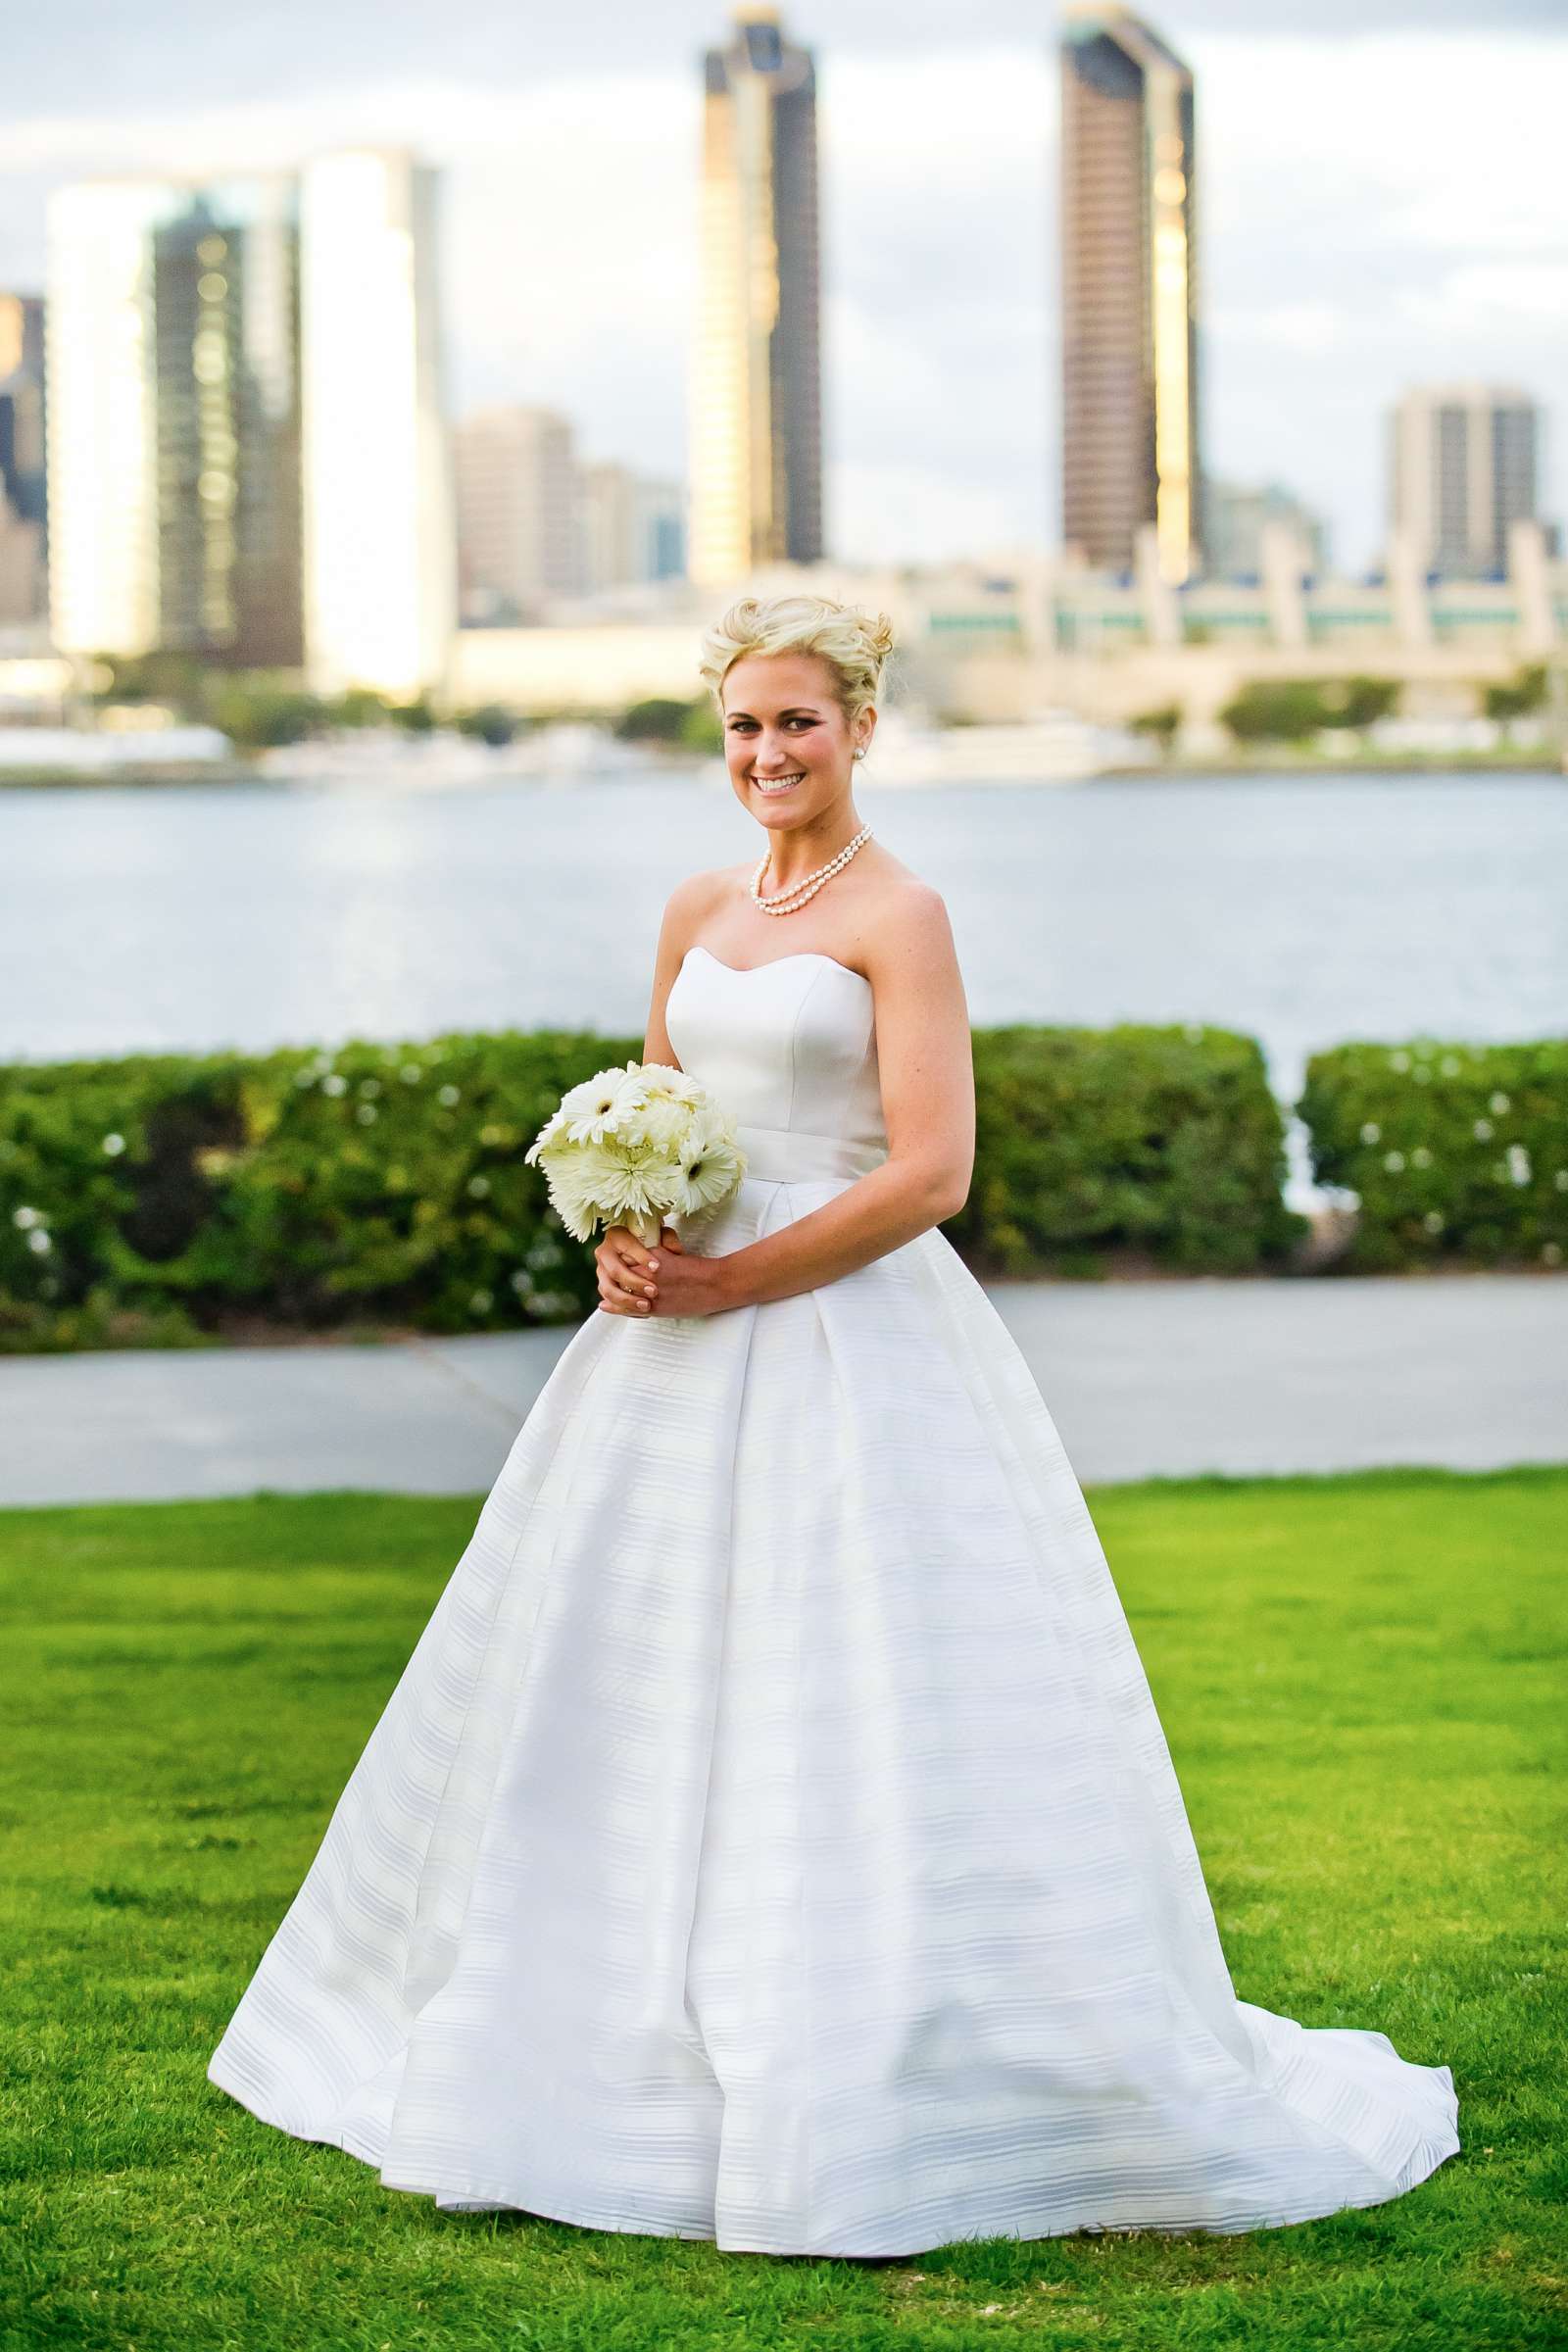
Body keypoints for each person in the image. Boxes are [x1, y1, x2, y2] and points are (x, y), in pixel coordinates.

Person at [208, 593, 1459, 2257]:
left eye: (798, 722)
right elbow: (656, 1111)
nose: (767, 754)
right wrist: (629, 1226)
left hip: (849, 1344)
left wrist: (739, 1287)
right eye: (741, 727)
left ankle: (888, 2043)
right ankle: (581, 2039)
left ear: (863, 728)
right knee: (620, 1673)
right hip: (667, 1351)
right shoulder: (692, 906)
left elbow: (929, 1175)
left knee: (849, 1671)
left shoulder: (906, 913)